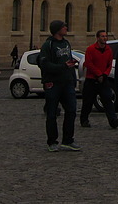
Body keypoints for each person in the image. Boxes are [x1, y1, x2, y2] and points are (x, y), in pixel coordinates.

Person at [39, 20, 81, 152]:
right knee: (52, 114)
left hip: (67, 83)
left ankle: (68, 140)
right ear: (57, 29)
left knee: (71, 111)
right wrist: (62, 66)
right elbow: (44, 65)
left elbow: (69, 62)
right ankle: (52, 141)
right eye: (64, 26)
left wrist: (73, 79)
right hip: (53, 83)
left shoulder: (66, 43)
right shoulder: (48, 45)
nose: (66, 28)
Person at [80, 30, 118, 129]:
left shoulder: (108, 50)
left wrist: (105, 74)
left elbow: (109, 64)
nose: (104, 38)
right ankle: (84, 119)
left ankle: (113, 120)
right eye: (102, 36)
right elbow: (89, 63)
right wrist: (98, 74)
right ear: (98, 38)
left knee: (107, 99)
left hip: (103, 80)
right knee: (88, 102)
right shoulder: (90, 49)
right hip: (91, 79)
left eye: (106, 36)